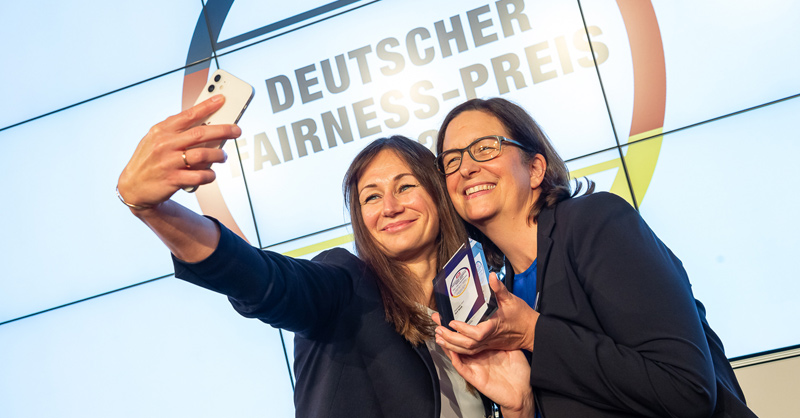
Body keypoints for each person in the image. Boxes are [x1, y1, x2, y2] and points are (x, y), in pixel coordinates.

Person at [115, 96, 536, 418]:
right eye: (371, 197)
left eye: (405, 187)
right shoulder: (346, 286)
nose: (390, 207)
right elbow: (266, 281)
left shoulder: (478, 310)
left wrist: (520, 408)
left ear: (439, 195)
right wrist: (154, 210)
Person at [432, 98, 756, 418]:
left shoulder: (595, 222)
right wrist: (520, 407)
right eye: (451, 161)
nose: (466, 168)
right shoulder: (504, 293)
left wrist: (534, 334)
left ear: (535, 169)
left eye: (485, 148)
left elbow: (687, 390)